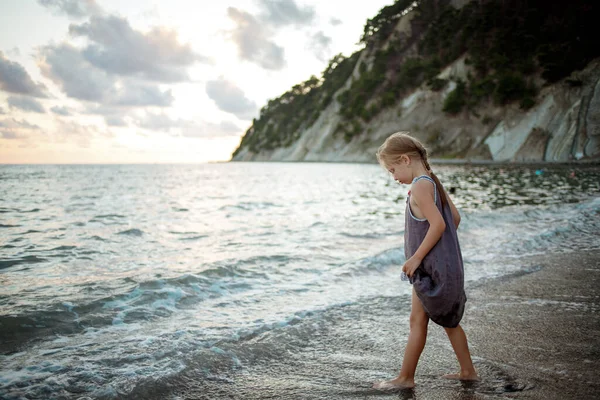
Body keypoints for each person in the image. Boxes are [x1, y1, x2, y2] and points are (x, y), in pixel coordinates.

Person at [372, 131, 479, 390]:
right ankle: (467, 371)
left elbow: (440, 224)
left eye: (392, 169)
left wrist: (418, 256)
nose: (394, 177)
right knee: (445, 320)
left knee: (421, 321)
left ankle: (405, 378)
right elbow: (455, 219)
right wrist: (440, 252)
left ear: (405, 159)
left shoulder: (420, 185)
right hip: (438, 267)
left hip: (426, 269)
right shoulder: (432, 181)